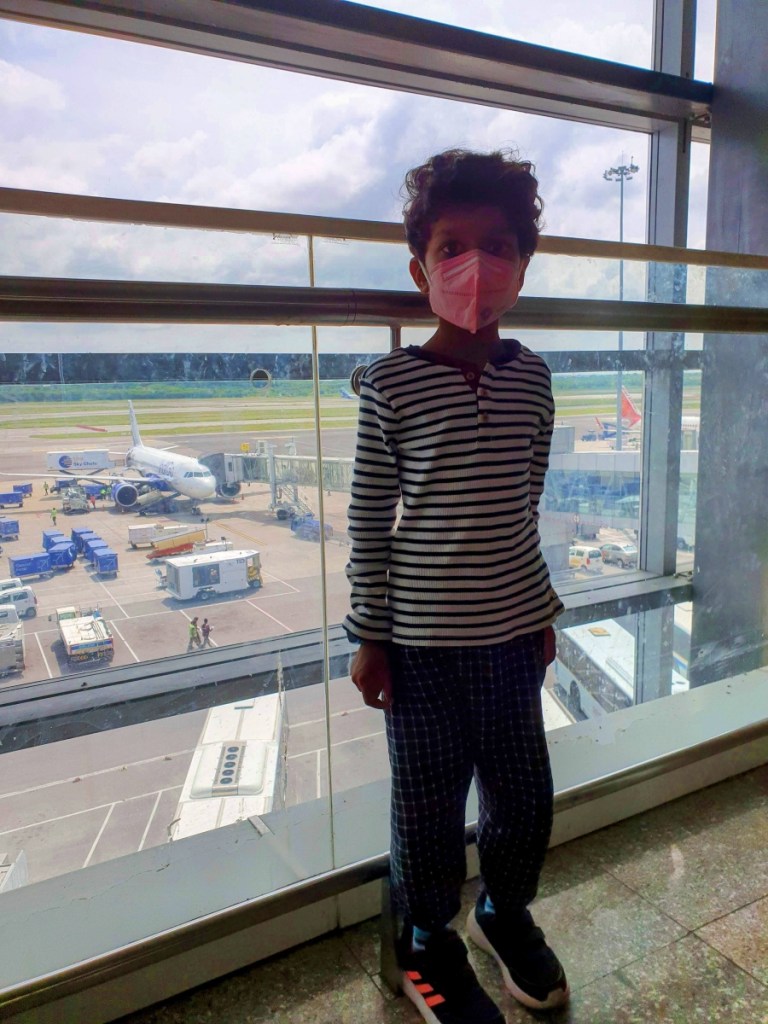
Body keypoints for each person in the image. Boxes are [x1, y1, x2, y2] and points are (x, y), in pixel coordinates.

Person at [344, 149, 568, 1024]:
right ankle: (427, 940)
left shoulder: (534, 379)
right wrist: (369, 637)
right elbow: (368, 523)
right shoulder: (391, 386)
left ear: (523, 264)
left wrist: (542, 612)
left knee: (524, 795)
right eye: (451, 246)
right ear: (419, 268)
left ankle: (502, 912)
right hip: (423, 651)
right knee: (428, 804)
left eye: (498, 244)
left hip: (515, 639)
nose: (475, 265)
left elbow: (525, 501)